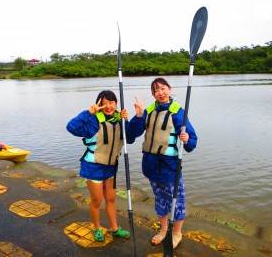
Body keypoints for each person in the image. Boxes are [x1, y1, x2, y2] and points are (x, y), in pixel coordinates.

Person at [128, 77, 197, 249]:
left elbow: (192, 143)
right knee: (160, 200)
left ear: (169, 89)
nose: (160, 92)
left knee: (177, 201)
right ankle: (164, 230)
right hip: (151, 166)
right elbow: (131, 135)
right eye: (156, 90)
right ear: (153, 94)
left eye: (163, 88)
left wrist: (187, 139)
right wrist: (137, 116)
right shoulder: (149, 111)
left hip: (170, 168)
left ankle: (176, 233)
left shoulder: (178, 112)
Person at [66, 90, 131, 242]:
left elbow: (130, 136)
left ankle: (115, 229)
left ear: (116, 103)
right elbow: (71, 127)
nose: (108, 106)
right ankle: (96, 228)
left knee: (111, 199)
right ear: (99, 105)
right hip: (93, 167)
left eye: (111, 102)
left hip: (111, 167)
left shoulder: (119, 120)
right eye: (104, 103)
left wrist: (127, 121)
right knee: (97, 201)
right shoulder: (93, 121)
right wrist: (87, 113)